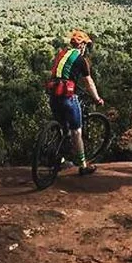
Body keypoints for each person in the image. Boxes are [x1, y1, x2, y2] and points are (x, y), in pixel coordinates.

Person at [46, 29, 104, 176]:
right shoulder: (80, 60)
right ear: (82, 45)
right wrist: (97, 99)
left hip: (53, 95)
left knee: (61, 128)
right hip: (67, 97)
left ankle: (60, 159)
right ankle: (83, 165)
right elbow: (88, 82)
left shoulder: (61, 54)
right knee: (76, 131)